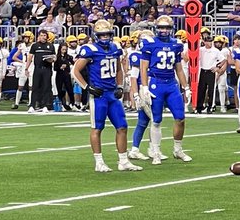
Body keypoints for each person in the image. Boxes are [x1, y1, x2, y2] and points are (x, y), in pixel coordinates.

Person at [71, 19, 140, 173]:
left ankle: (123, 161)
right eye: (102, 35)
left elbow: (119, 70)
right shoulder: (90, 50)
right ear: (96, 35)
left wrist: (120, 86)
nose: (105, 38)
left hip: (112, 94)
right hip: (99, 95)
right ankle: (99, 162)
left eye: (107, 34)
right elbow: (75, 71)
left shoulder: (115, 47)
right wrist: (87, 87)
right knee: (97, 128)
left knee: (122, 126)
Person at [138, 15, 192, 165]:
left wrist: (186, 87)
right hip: (156, 82)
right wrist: (144, 87)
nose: (164, 30)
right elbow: (143, 67)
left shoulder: (176, 44)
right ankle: (155, 151)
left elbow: (179, 69)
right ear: (156, 28)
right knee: (156, 120)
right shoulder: (149, 43)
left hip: (171, 84)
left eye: (167, 28)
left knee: (180, 118)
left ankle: (177, 149)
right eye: (161, 27)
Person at [127, 29, 154, 160]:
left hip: (153, 89)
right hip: (144, 91)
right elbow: (133, 77)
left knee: (145, 121)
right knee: (152, 121)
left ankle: (139, 149)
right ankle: (150, 149)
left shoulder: (152, 54)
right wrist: (136, 95)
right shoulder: (136, 55)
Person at [28, 28, 55, 113]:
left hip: (47, 69)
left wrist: (50, 60)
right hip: (37, 68)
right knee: (35, 87)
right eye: (41, 35)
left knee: (46, 87)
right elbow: (30, 57)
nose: (43, 37)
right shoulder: (35, 45)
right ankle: (32, 105)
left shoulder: (50, 46)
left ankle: (45, 106)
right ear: (38, 36)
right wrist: (26, 68)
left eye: (44, 35)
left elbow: (54, 57)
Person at [195, 28, 219, 114]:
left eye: (210, 41)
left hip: (210, 71)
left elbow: (223, 60)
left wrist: (217, 67)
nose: (209, 43)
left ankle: (210, 107)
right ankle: (199, 107)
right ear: (204, 42)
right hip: (203, 70)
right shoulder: (201, 50)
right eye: (207, 41)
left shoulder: (215, 51)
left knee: (211, 90)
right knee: (201, 90)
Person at [53, 40, 76, 112]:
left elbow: (73, 63)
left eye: (65, 49)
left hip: (66, 75)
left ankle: (72, 104)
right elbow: (55, 68)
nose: (64, 51)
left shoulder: (68, 57)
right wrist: (60, 67)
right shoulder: (57, 57)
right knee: (60, 90)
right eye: (63, 49)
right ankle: (62, 104)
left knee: (70, 89)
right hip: (59, 75)